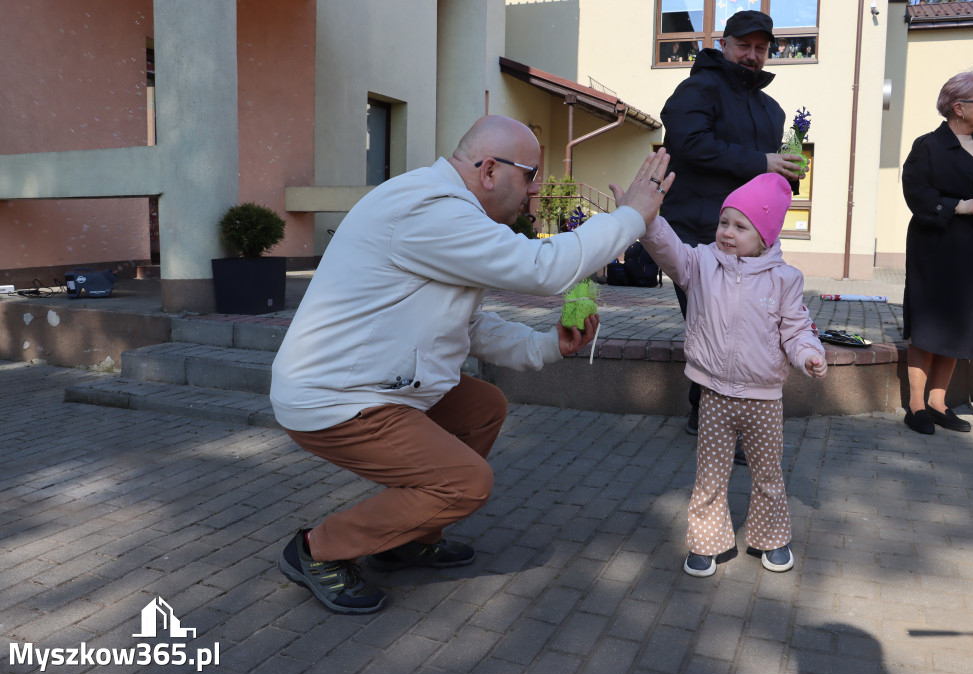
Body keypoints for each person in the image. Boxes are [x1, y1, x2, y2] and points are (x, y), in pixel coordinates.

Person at [270, 115, 675, 614]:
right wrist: (630, 216)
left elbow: (470, 324)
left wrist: (551, 344)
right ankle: (318, 549)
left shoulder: (448, 211)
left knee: (482, 406)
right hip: (336, 397)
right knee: (466, 483)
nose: (534, 191)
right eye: (529, 175)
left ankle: (407, 535)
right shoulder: (429, 208)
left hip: (374, 386)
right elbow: (541, 268)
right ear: (489, 170)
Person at [632, 173, 826, 578]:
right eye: (724, 222)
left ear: (765, 236)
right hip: (714, 394)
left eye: (741, 226)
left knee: (769, 475)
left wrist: (808, 354)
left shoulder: (785, 279)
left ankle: (770, 538)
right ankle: (706, 543)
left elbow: (796, 328)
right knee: (709, 477)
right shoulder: (701, 264)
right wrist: (648, 219)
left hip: (764, 399)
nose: (727, 233)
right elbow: (670, 252)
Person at [659, 9, 806, 451]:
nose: (752, 55)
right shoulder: (697, 87)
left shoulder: (771, 108)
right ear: (724, 44)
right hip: (700, 233)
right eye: (744, 45)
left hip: (750, 242)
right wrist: (761, 162)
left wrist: (783, 177)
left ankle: (705, 411)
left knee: (740, 326)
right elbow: (686, 143)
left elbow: (763, 178)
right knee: (716, 325)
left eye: (761, 48)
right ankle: (713, 417)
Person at [902, 68, 973, 435]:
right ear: (958, 106)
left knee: (958, 327)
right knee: (930, 327)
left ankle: (938, 402)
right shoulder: (928, 146)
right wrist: (962, 206)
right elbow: (916, 195)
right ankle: (916, 405)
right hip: (937, 251)